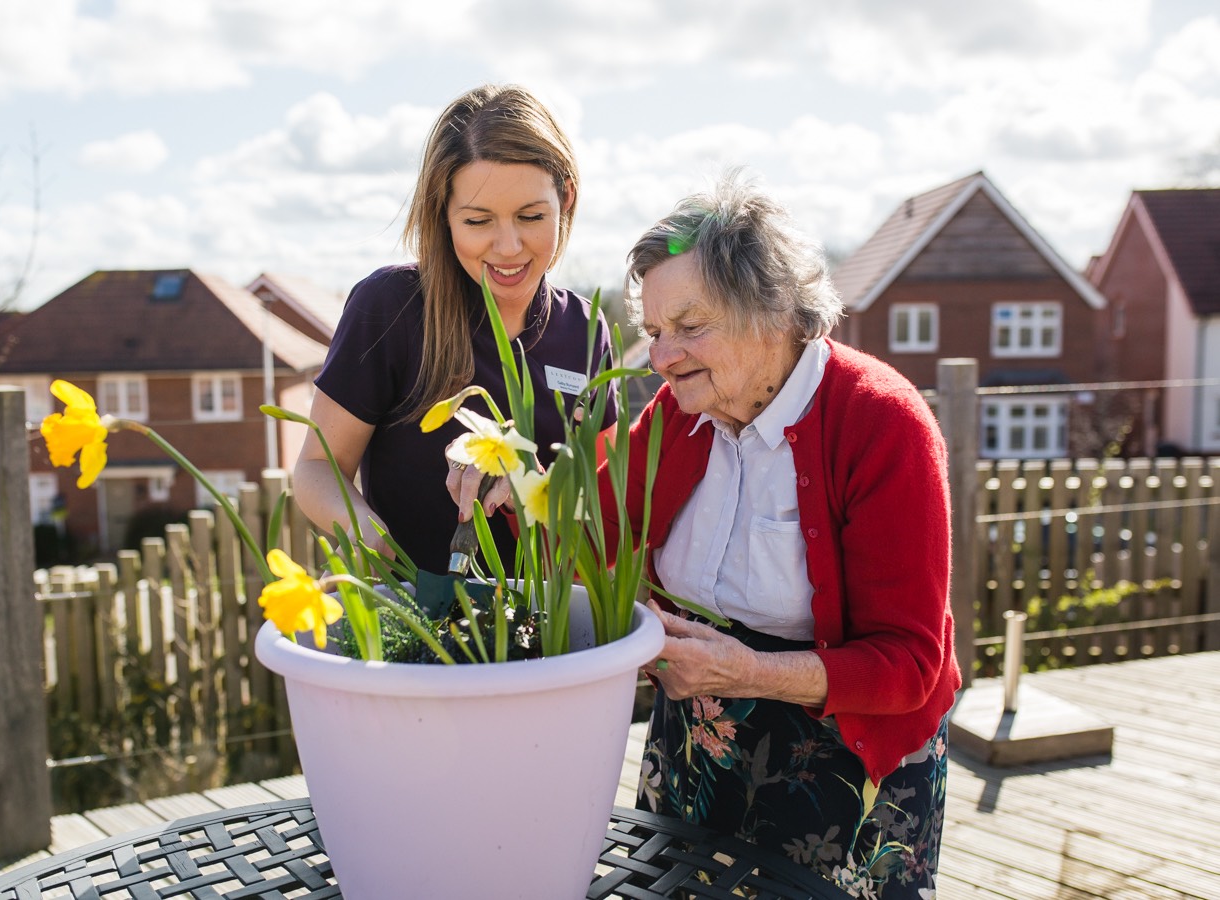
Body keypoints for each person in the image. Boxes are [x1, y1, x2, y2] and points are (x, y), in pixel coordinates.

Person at [601, 172, 961, 898]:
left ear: (771, 313)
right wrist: (506, 484)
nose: (663, 359)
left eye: (690, 327)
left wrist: (750, 672)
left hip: (845, 760)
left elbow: (910, 662)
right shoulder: (678, 414)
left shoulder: (881, 423)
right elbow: (591, 539)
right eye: (654, 332)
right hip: (699, 739)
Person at [294, 84, 615, 574]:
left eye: (531, 216)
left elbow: (605, 498)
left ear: (566, 198)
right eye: (478, 220)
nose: (508, 246)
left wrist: (530, 485)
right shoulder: (391, 308)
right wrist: (368, 537)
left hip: (549, 632)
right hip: (416, 624)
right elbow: (317, 469)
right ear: (443, 214)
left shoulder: (585, 332)